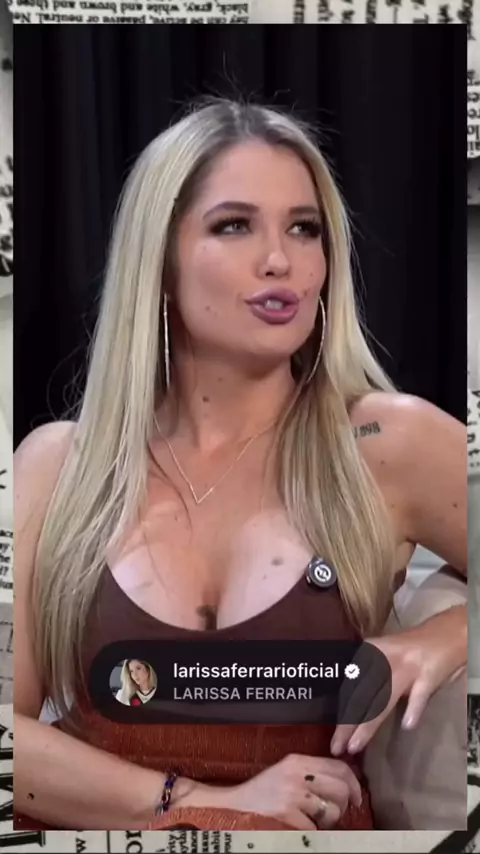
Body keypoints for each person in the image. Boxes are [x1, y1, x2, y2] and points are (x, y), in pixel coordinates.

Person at [14, 97, 466, 832]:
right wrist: (200, 802)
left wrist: (444, 638)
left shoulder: (387, 441)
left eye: (304, 228)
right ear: (160, 262)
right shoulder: (58, 465)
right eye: (234, 226)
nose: (280, 259)